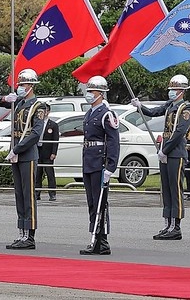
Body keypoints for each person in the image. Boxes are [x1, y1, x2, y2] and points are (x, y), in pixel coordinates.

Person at [131, 74, 190, 240]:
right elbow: (153, 112)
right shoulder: (169, 105)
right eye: (171, 89)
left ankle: (176, 226)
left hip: (175, 153)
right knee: (166, 189)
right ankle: (167, 224)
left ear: (182, 91)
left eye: (175, 89)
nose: (171, 92)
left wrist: (165, 150)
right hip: (165, 152)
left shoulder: (185, 109)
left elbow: (179, 132)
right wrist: (139, 106)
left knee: (175, 189)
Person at [0, 68, 44, 250]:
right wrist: (7, 99)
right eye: (19, 84)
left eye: (22, 85)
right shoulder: (19, 103)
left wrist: (17, 149)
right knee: (19, 195)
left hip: (27, 155)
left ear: (30, 86)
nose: (19, 87)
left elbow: (35, 134)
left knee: (28, 195)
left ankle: (29, 235)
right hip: (16, 155)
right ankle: (21, 231)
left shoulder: (39, 107)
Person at [78, 76, 119, 256]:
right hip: (89, 161)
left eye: (92, 91)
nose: (89, 94)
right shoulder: (90, 112)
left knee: (100, 202)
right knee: (92, 203)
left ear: (101, 93)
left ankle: (102, 241)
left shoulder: (107, 114)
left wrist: (110, 167)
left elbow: (113, 142)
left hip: (100, 163)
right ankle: (94, 237)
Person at [34, 104, 59, 202]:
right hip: (38, 150)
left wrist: (54, 153)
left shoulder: (53, 125)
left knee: (49, 173)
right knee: (37, 173)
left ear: (48, 112)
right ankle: (37, 193)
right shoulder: (36, 123)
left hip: (48, 152)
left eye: (45, 111)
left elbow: (55, 140)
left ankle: (52, 193)